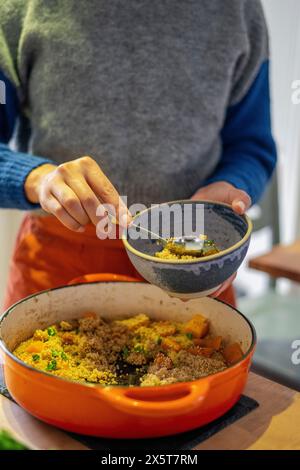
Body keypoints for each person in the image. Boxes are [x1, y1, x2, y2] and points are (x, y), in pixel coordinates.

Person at [0, 0, 276, 309]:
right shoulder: (20, 8)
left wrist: (231, 183)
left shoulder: (237, 9)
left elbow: (252, 146)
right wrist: (38, 179)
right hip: (57, 267)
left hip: (194, 266)